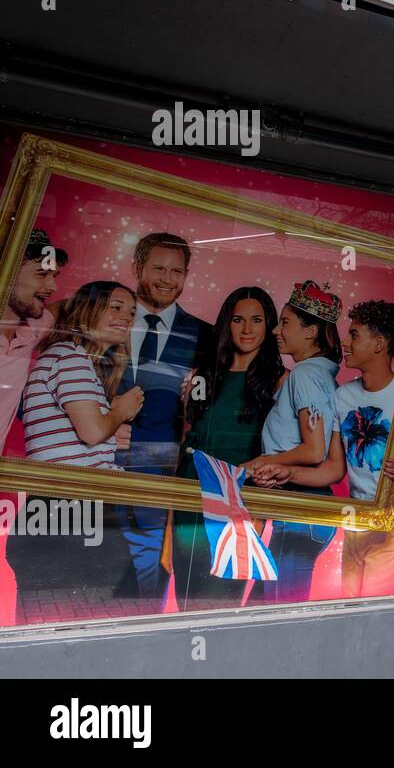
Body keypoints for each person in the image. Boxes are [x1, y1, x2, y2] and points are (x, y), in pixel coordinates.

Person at [259, 300, 394, 597]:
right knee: (353, 613)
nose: (344, 342)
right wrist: (284, 472)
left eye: (354, 334)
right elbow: (333, 468)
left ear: (379, 344)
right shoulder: (344, 396)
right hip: (357, 523)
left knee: (371, 615)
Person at [7, 281, 143, 623]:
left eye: (131, 312)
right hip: (70, 513)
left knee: (61, 635)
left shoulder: (72, 359)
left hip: (66, 514)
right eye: (115, 307)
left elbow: (89, 435)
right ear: (86, 310)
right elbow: (93, 431)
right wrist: (119, 412)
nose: (126, 317)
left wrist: (110, 427)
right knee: (94, 635)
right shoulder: (69, 356)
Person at [171, 287, 284, 611]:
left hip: (241, 501)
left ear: (269, 325)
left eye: (256, 320)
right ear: (226, 324)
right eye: (238, 319)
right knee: (187, 600)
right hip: (191, 495)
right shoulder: (201, 377)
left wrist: (260, 511)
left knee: (222, 603)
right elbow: (186, 441)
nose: (247, 329)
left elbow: (287, 451)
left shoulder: (281, 380)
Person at [114, 233, 212, 603]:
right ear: (138, 267)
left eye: (177, 271)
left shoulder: (205, 335)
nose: (167, 278)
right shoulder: (104, 319)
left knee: (149, 584)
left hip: (163, 476)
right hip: (96, 468)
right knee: (87, 578)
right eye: (158, 268)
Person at [244, 280, 342, 604]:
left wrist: (259, 464)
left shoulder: (306, 375)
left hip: (299, 508)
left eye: (285, 323)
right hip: (302, 510)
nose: (275, 330)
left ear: (311, 330)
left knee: (282, 615)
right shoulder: (315, 373)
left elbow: (314, 451)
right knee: (266, 609)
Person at [0, 229, 66, 447]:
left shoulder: (34, 327)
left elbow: (63, 308)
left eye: (53, 276)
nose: (52, 287)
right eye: (41, 274)